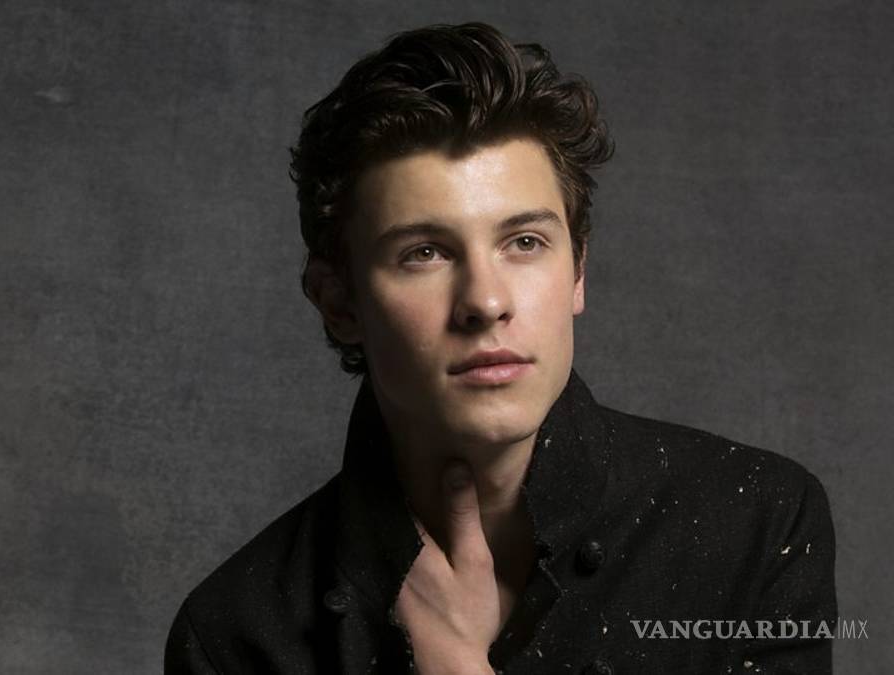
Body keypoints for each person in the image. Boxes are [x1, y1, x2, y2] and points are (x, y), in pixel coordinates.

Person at [165, 22, 836, 674]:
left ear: (577, 271)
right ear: (339, 303)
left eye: (525, 242)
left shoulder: (757, 523)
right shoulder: (235, 639)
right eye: (424, 252)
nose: (486, 301)